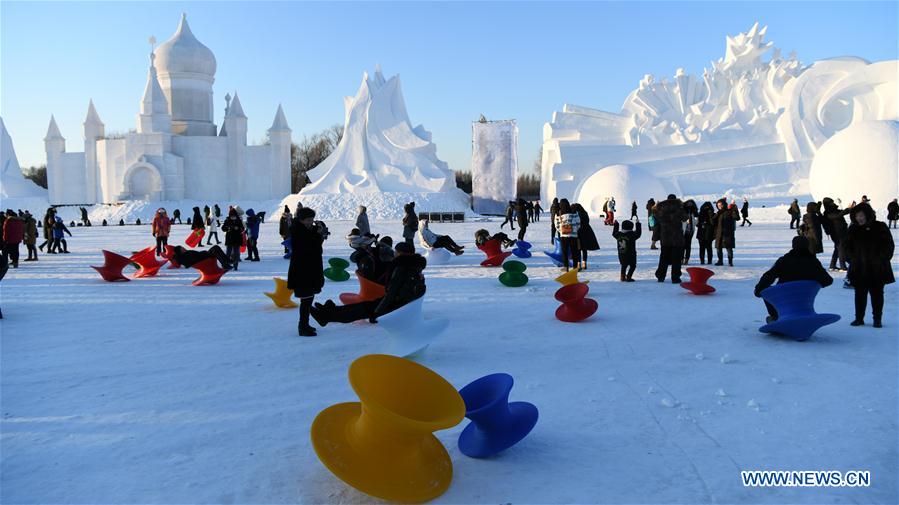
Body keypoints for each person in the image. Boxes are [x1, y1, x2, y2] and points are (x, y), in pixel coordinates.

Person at [310, 242, 426, 326]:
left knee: (360, 311)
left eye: (396, 252)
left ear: (400, 253)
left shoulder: (401, 267)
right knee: (362, 306)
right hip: (397, 302)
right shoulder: (414, 267)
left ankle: (325, 317)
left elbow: (392, 291)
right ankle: (329, 310)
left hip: (395, 305)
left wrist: (377, 312)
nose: (394, 254)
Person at [754, 236, 833, 323]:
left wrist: (759, 290)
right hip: (804, 301)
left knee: (767, 291)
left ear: (793, 246)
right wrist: (813, 281)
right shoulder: (813, 262)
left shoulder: (785, 260)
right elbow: (828, 280)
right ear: (807, 246)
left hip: (785, 298)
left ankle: (776, 316)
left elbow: (769, 276)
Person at [845, 203, 894, 328]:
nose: (859, 218)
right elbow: (846, 247)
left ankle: (877, 319)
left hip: (877, 268)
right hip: (859, 268)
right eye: (856, 216)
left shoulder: (880, 227)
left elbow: (889, 246)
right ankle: (859, 318)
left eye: (861, 215)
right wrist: (852, 259)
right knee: (860, 294)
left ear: (867, 215)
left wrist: (881, 258)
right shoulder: (853, 229)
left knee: (877, 294)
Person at [287, 207, 326, 336]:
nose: (311, 222)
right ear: (301, 220)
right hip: (302, 270)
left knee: (308, 299)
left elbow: (316, 243)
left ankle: (305, 324)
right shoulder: (298, 231)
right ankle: (302, 327)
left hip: (310, 269)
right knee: (306, 300)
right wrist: (318, 234)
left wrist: (318, 232)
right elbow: (310, 246)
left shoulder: (307, 229)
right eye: (308, 220)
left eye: (312, 220)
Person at [654, 194, 686, 283]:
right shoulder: (679, 208)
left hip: (665, 238)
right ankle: (675, 277)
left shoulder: (661, 208)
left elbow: (656, 217)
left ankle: (661, 276)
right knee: (677, 259)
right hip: (677, 238)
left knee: (663, 258)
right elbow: (685, 218)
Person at [821, 198, 852, 271]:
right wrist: (848, 209)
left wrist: (850, 209)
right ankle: (842, 266)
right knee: (841, 249)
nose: (833, 203)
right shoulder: (828, 213)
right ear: (828, 204)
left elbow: (841, 212)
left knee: (837, 249)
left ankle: (832, 265)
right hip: (837, 234)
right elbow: (838, 215)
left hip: (840, 232)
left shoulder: (833, 210)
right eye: (831, 202)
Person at [554, 199, 580, 272]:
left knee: (565, 252)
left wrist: (561, 231)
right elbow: (578, 223)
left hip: (564, 236)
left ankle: (566, 267)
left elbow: (556, 225)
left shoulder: (559, 213)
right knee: (574, 251)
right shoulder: (574, 212)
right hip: (573, 235)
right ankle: (575, 267)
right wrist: (574, 230)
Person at [613, 217, 642, 281]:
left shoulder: (619, 234)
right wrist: (638, 224)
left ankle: (622, 277)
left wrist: (616, 224)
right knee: (633, 266)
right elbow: (638, 233)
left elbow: (614, 233)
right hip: (631, 254)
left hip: (621, 253)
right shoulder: (632, 234)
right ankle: (628, 276)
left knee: (624, 265)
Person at [164, 245, 233, 271]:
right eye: (182, 248)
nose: (184, 248)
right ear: (180, 251)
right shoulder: (184, 256)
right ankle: (226, 263)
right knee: (215, 249)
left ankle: (226, 262)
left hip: (203, 256)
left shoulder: (185, 255)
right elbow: (189, 262)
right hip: (204, 258)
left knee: (216, 248)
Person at [573, 203, 598, 270]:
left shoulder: (576, 214)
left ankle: (578, 264)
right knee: (584, 249)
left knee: (578, 249)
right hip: (586, 232)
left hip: (578, 233)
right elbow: (587, 221)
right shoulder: (585, 213)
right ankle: (584, 263)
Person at [714, 198, 738, 266]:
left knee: (729, 248)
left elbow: (737, 217)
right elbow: (713, 221)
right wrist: (717, 213)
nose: (719, 206)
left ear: (724, 204)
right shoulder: (718, 213)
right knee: (718, 248)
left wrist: (734, 210)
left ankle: (730, 262)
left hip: (728, 233)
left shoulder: (729, 211)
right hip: (719, 233)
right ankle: (720, 261)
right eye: (718, 205)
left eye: (721, 205)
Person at [682, 200, 698, 265]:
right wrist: (686, 220)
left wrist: (694, 221)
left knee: (688, 246)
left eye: (691, 204)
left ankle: (686, 259)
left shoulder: (694, 212)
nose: (689, 205)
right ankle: (681, 259)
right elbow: (681, 220)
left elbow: (696, 221)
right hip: (684, 230)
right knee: (682, 246)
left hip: (690, 231)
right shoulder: (683, 211)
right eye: (688, 204)